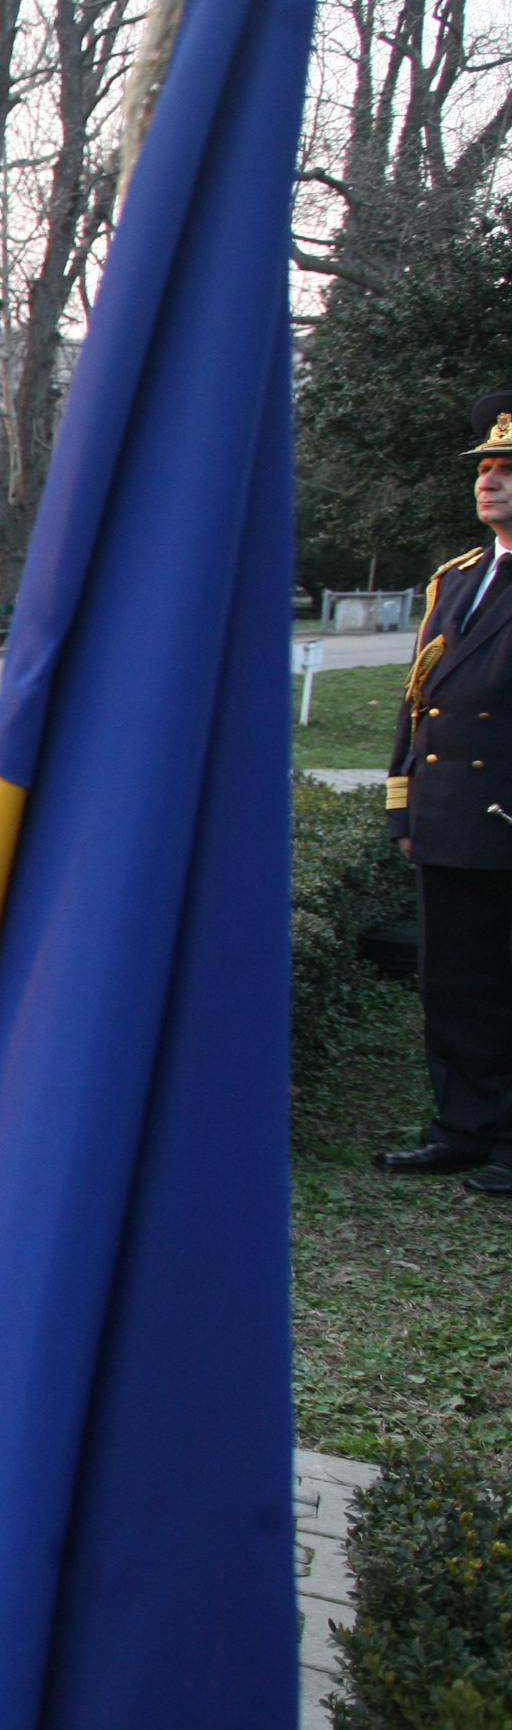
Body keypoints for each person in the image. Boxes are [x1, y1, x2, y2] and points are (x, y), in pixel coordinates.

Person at [379, 388, 512, 1195]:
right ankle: (462, 1126)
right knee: (454, 981)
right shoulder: (455, 580)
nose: (489, 482)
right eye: (486, 468)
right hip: (451, 819)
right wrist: (404, 803)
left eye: (507, 470)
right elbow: (417, 698)